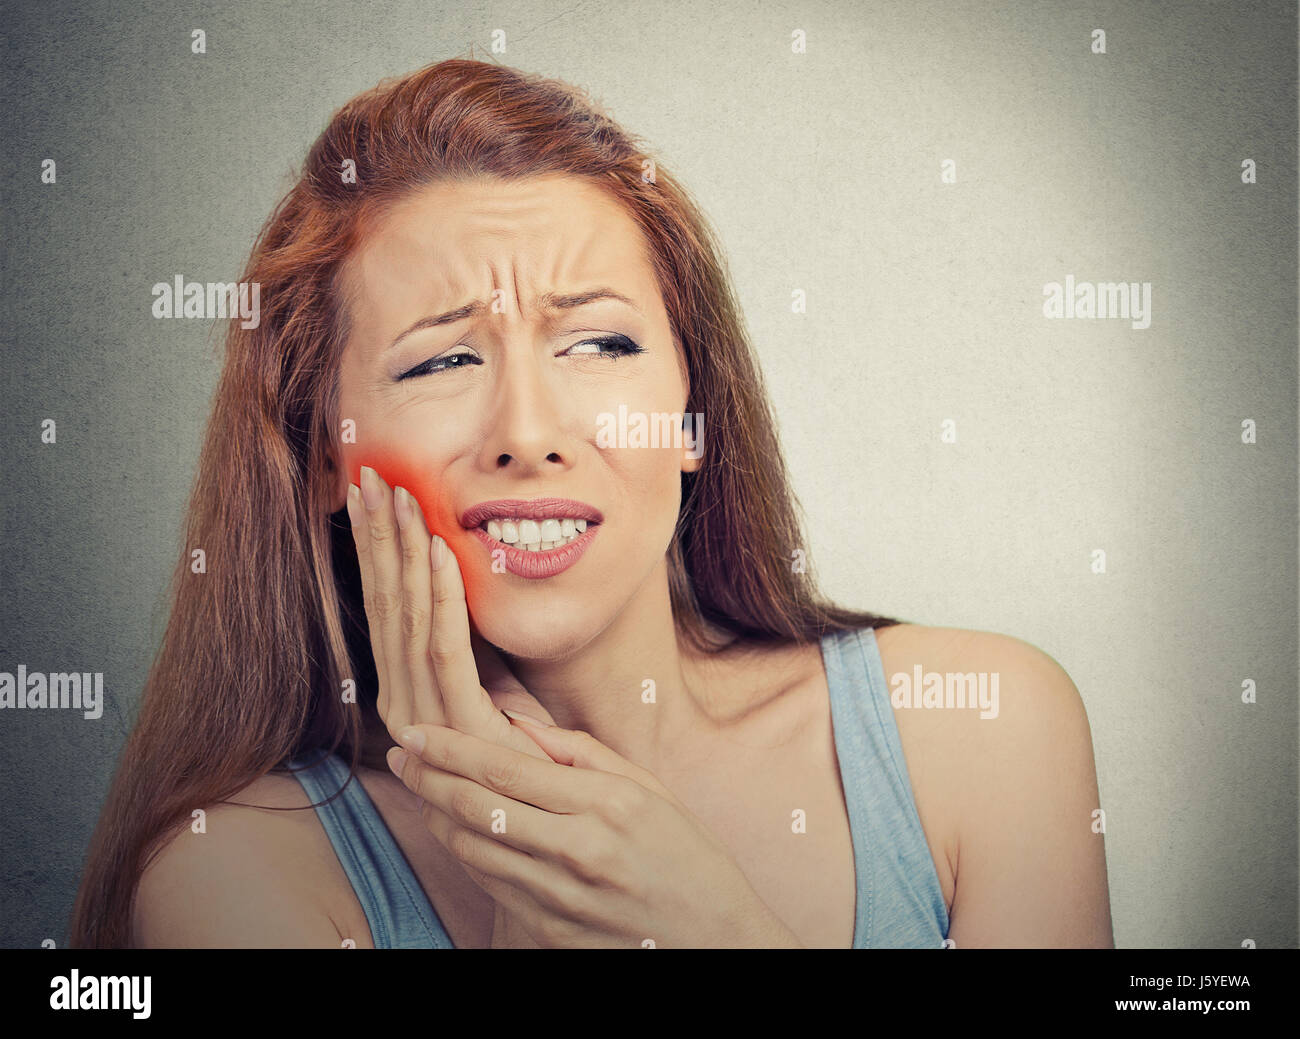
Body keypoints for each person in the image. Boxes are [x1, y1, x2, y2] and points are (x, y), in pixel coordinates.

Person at [70, 57, 1113, 948]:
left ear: (694, 418)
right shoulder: (237, 873)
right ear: (322, 459)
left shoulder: (984, 731)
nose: (529, 432)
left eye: (600, 343)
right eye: (440, 361)